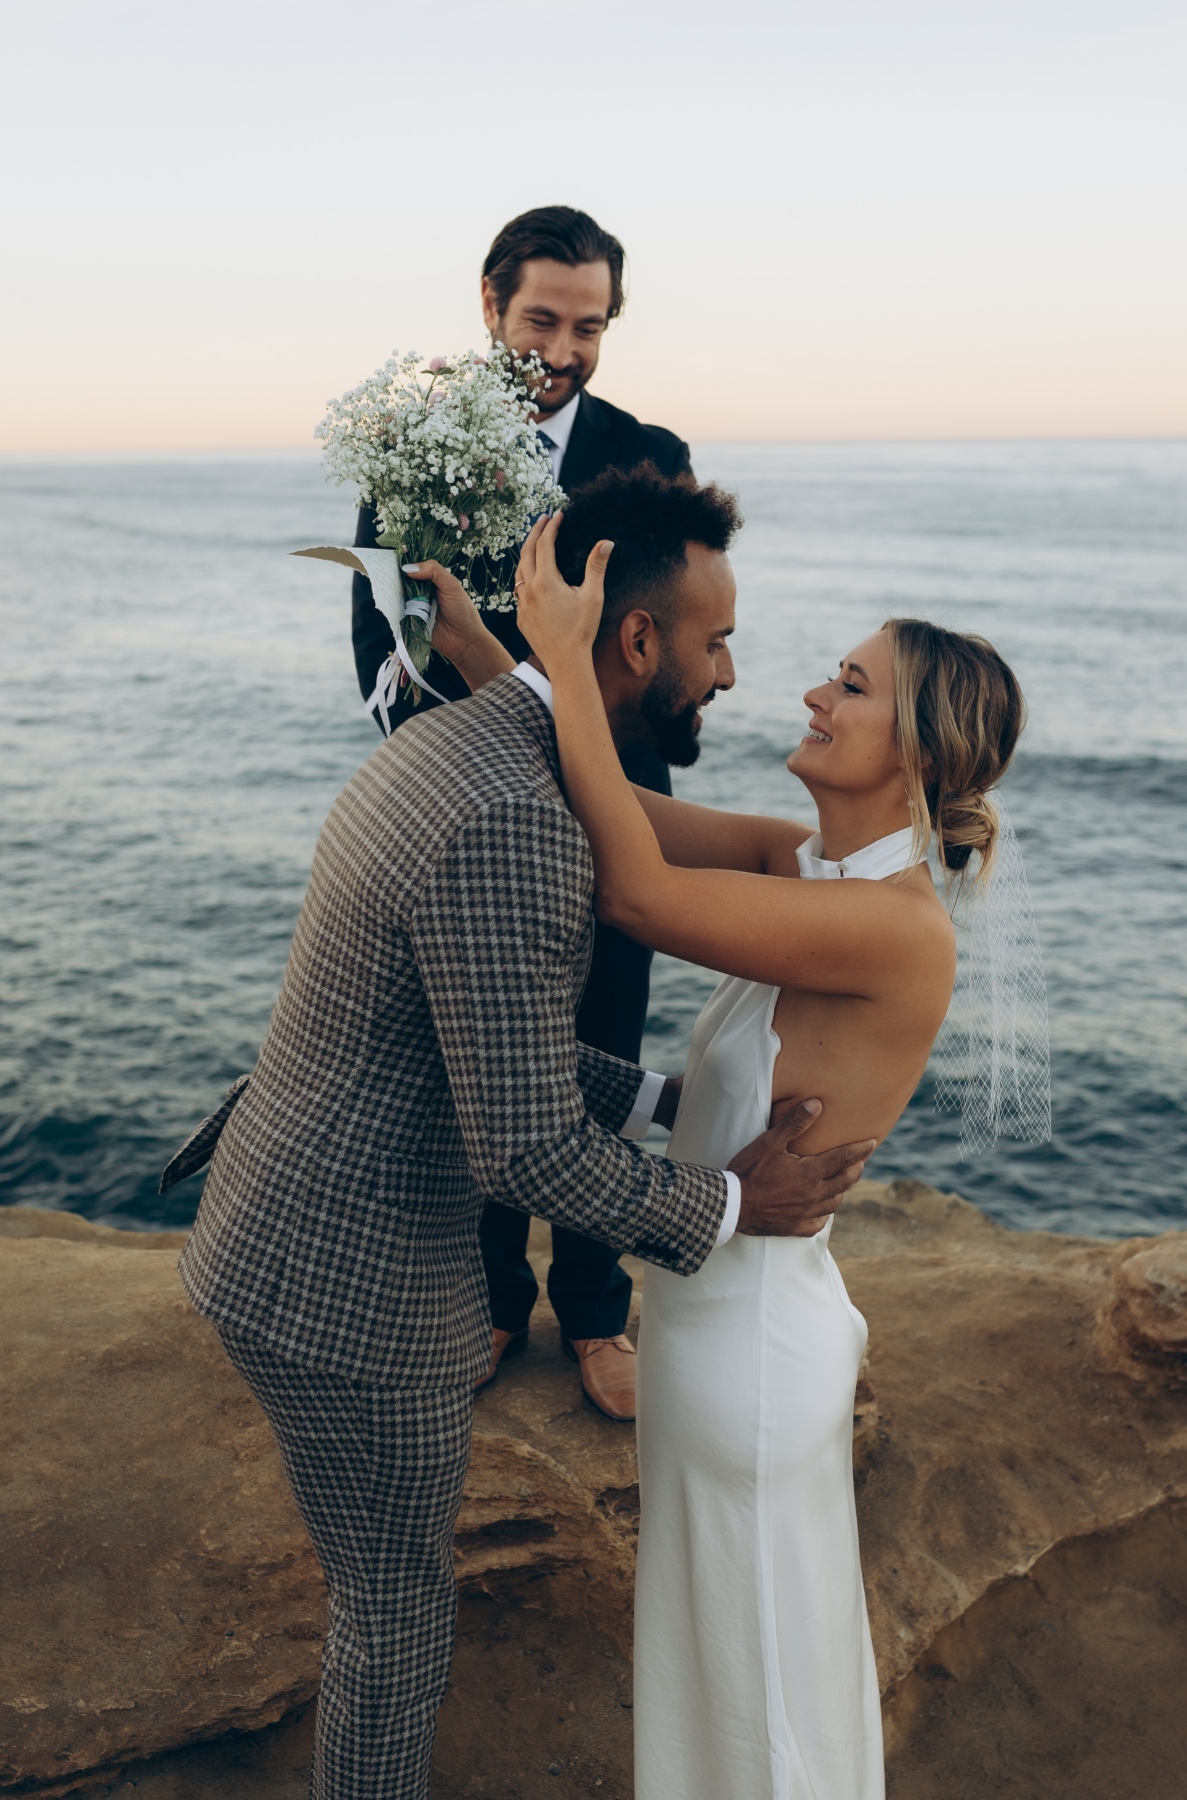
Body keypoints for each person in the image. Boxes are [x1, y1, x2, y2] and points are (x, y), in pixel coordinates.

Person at [163, 465, 875, 1800]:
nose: (731, 673)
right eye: (716, 641)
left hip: (291, 1218)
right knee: (394, 1619)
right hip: (344, 1290)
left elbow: (486, 1050)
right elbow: (527, 1153)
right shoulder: (512, 819)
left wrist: (679, 1106)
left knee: (385, 1597)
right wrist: (733, 1207)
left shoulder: (486, 734)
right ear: (640, 641)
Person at [438, 481, 1027, 1800]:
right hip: (713, 1329)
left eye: (854, 686)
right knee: (734, 1682)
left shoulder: (895, 928)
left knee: (760, 1701)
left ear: (919, 752)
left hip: (751, 1355)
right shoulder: (806, 868)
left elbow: (636, 897)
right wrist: (521, 661)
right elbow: (625, 824)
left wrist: (561, 660)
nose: (815, 695)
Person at [351, 205, 697, 1419]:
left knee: (601, 1048)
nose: (564, 346)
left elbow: (660, 660)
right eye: (543, 318)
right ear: (491, 306)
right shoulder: (414, 448)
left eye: (589, 324)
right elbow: (379, 653)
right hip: (476, 828)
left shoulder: (649, 451)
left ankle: (599, 1313)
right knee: (482, 1069)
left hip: (614, 819)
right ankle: (495, 1299)